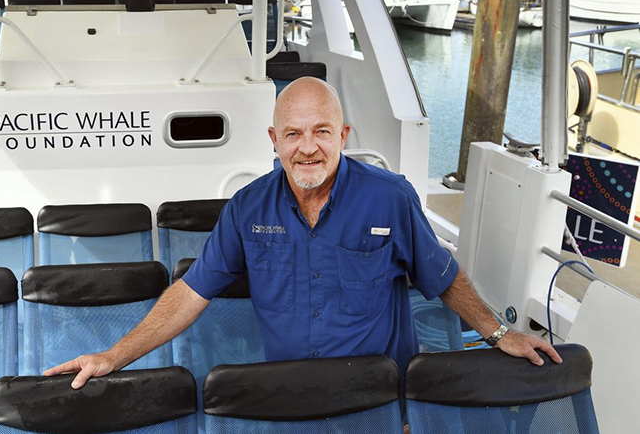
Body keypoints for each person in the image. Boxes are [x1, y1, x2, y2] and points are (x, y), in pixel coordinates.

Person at [45, 77, 562, 390]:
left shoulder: (391, 197)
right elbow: (190, 292)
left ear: (343, 135)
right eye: (293, 133)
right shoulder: (247, 209)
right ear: (275, 140)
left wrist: (497, 334)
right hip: (293, 399)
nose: (307, 148)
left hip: (383, 398)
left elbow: (443, 276)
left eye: (321, 132)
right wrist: (113, 355)